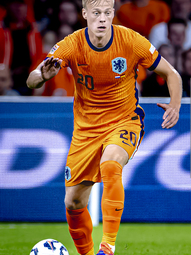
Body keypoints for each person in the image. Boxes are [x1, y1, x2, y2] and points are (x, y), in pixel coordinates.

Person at [26, 1, 182, 255]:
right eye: (96, 13)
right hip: (86, 131)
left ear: (113, 14)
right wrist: (42, 76)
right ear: (85, 14)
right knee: (74, 202)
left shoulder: (131, 41)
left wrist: (175, 104)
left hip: (124, 120)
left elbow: (172, 73)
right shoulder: (71, 44)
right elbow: (31, 79)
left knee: (111, 163)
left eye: (107, 13)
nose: (102, 19)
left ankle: (107, 247)